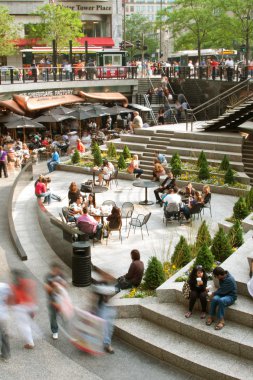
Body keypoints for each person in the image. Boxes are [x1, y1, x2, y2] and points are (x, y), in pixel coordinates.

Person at [11, 270, 37, 349]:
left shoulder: (15, 285)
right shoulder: (28, 282)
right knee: (26, 323)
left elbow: (15, 298)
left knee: (24, 325)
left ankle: (30, 343)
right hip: (29, 305)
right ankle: (30, 339)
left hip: (22, 307)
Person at [44, 263, 67, 340]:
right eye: (54, 270)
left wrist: (58, 287)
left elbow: (64, 287)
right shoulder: (48, 276)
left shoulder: (62, 276)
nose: (56, 271)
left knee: (65, 315)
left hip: (61, 300)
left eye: (58, 270)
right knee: (53, 316)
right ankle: (55, 331)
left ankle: (68, 328)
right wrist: (55, 288)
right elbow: (47, 289)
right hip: (52, 300)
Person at [0, 282, 11, 362]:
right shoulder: (5, 286)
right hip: (3, 315)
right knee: (4, 335)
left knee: (4, 335)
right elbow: (10, 299)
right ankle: (6, 355)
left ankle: (5, 355)